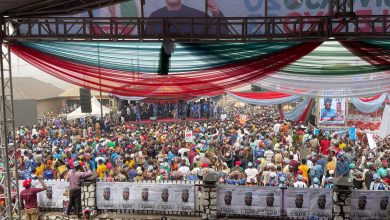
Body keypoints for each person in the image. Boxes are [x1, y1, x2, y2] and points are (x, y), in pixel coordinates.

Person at [145, 0, 229, 36]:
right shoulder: (155, 16)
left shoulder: (196, 15)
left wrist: (216, 13)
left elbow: (221, 33)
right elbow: (147, 41)